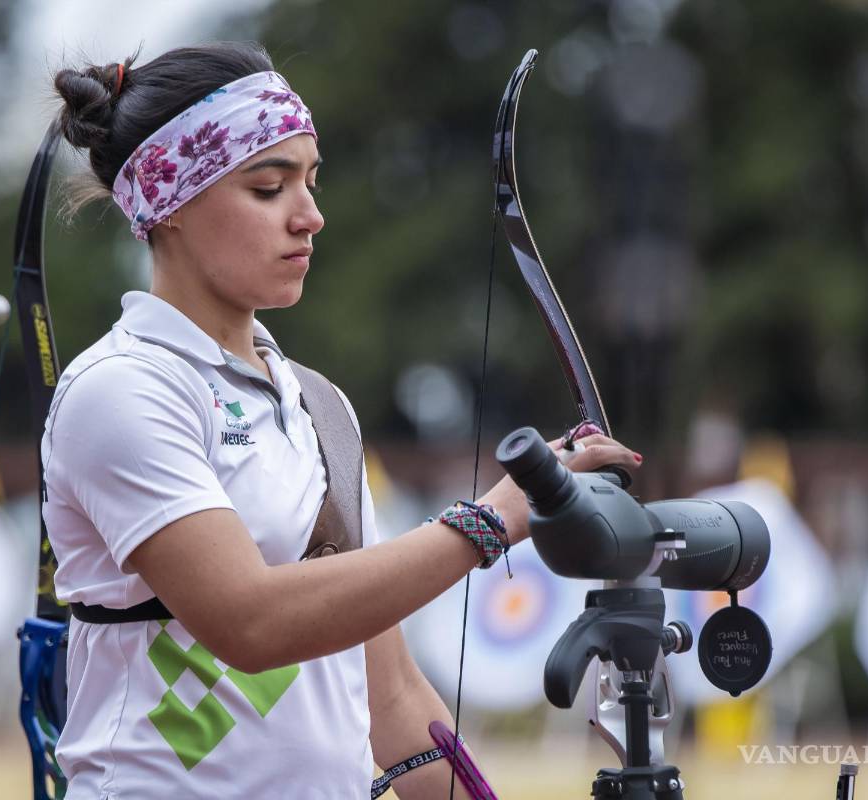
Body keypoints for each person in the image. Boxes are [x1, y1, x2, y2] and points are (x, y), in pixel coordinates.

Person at [46, 41, 641, 798]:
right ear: (171, 207)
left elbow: (388, 697)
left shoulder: (318, 404)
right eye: (269, 187)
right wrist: (494, 518)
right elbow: (249, 624)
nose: (310, 217)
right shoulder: (121, 390)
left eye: (311, 181)